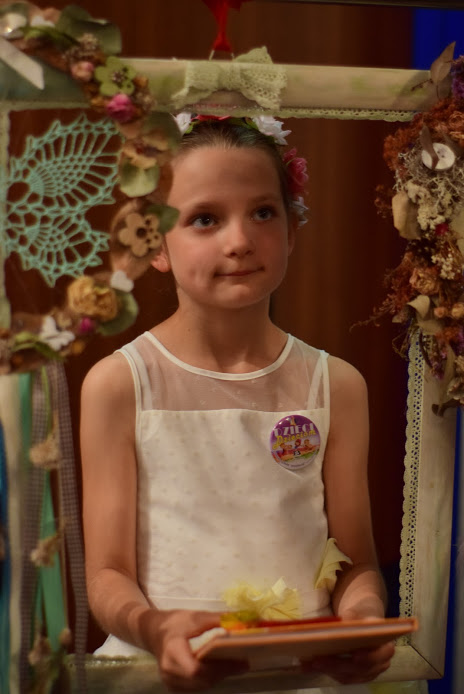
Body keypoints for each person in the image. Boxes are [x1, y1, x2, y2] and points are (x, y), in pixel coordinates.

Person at [80, 114, 394, 693]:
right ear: (155, 242)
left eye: (263, 212)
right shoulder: (119, 384)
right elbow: (107, 572)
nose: (240, 240)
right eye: (205, 219)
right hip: (163, 672)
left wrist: (362, 618)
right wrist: (156, 628)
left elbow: (357, 564)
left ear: (292, 230)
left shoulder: (336, 385)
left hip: (301, 677)